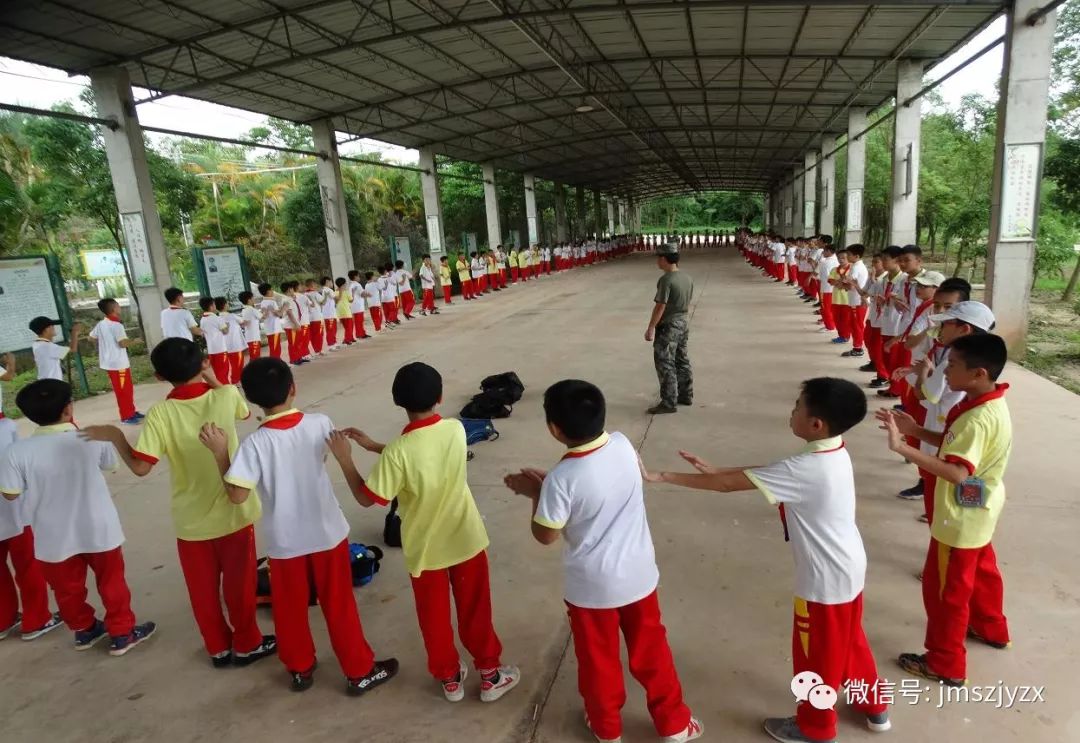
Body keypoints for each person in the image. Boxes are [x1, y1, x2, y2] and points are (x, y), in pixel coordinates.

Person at [640, 377, 890, 743]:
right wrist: (719, 469)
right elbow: (776, 470)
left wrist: (661, 476)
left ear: (815, 424)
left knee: (815, 657)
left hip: (823, 583)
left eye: (797, 407)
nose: (792, 412)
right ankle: (873, 704)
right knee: (850, 640)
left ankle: (815, 727)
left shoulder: (806, 469)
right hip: (849, 567)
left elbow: (735, 485)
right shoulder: (831, 450)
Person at [505, 380, 702, 743]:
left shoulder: (561, 479)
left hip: (592, 590)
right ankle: (674, 724)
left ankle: (607, 727)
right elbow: (601, 488)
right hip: (639, 578)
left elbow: (546, 534)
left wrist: (536, 494)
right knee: (653, 652)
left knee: (598, 662)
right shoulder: (623, 445)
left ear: (554, 429)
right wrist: (549, 490)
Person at [199, 358, 399, 695]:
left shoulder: (254, 445)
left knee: (289, 610)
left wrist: (221, 454)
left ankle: (300, 669)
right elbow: (317, 458)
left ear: (251, 399)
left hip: (285, 542)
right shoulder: (320, 423)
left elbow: (236, 495)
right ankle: (359, 671)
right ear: (293, 388)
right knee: (339, 605)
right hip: (326, 533)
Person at [330, 362, 520, 703]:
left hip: (426, 551)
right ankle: (490, 675)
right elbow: (424, 452)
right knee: (476, 610)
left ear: (397, 401)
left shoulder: (398, 453)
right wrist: (375, 446)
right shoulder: (455, 430)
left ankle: (450, 679)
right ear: (441, 396)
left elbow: (369, 497)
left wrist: (346, 459)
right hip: (466, 539)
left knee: (433, 618)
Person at [82, 339, 276, 669]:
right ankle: (247, 643)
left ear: (158, 376)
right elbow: (244, 412)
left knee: (203, 591)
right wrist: (211, 375)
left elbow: (142, 467)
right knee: (239, 586)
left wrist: (116, 436)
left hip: (191, 519)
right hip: (235, 511)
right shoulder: (225, 395)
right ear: (203, 363)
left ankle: (217, 647)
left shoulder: (161, 413)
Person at [879, 333, 1012, 687]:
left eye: (952, 365)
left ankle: (945, 662)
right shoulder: (988, 403)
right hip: (980, 507)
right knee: (982, 571)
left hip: (960, 517)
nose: (945, 370)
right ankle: (990, 627)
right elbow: (962, 448)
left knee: (945, 593)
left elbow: (956, 472)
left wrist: (902, 448)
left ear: (978, 373)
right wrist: (917, 430)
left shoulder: (976, 419)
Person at [1, 379, 155, 655]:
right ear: (69, 409)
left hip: (53, 536)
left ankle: (84, 630)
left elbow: (10, 494)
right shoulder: (93, 438)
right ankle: (122, 633)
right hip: (98, 527)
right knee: (112, 581)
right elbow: (110, 465)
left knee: (67, 589)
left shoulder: (17, 452)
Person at [0, 376, 63, 643]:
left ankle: (3, 618)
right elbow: (14, 470)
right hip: (11, 509)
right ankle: (36, 618)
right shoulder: (5, 428)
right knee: (27, 562)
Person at [645, 243, 694, 415]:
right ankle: (686, 394)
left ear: (664, 259)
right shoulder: (687, 278)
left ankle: (668, 402)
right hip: (683, 322)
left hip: (669, 326)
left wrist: (651, 327)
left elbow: (660, 306)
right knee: (682, 359)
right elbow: (687, 302)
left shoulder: (666, 280)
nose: (657, 261)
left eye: (658, 258)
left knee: (665, 362)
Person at [88, 300, 143, 424]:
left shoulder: (101, 324)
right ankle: (126, 416)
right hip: (119, 365)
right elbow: (122, 343)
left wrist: (105, 345)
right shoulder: (116, 325)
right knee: (124, 390)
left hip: (110, 363)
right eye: (118, 305)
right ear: (113, 309)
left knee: (125, 389)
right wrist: (136, 341)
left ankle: (131, 411)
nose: (120, 307)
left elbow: (90, 338)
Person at [30, 316, 81, 382]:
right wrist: (75, 333)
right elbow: (73, 349)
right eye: (52, 326)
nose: (54, 328)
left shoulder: (37, 344)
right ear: (46, 329)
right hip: (52, 384)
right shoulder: (47, 346)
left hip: (45, 382)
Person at [199, 297, 231, 383]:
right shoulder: (217, 318)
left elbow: (202, 333)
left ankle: (221, 388)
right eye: (214, 304)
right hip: (220, 349)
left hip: (211, 351)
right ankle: (225, 390)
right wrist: (227, 325)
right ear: (211, 306)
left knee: (217, 372)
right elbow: (225, 331)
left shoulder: (202, 320)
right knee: (224, 372)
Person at [218, 297, 246, 384]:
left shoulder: (218, 318)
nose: (228, 304)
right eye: (226, 303)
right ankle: (236, 380)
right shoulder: (232, 316)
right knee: (238, 363)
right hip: (235, 345)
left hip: (225, 346)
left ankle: (235, 380)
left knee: (232, 364)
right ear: (224, 305)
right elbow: (243, 322)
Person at [281, 283, 307, 367]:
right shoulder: (286, 300)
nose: (294, 291)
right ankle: (293, 359)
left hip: (295, 324)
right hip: (291, 325)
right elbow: (289, 313)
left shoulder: (290, 299)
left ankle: (298, 357)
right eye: (292, 289)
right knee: (293, 343)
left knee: (297, 342)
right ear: (289, 289)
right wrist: (296, 324)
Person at [257, 283, 284, 360]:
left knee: (273, 347)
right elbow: (279, 314)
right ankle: (276, 364)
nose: (273, 291)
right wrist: (284, 308)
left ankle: (275, 363)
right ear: (268, 291)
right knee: (276, 348)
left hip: (269, 329)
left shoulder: (262, 302)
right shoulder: (272, 302)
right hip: (274, 328)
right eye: (271, 289)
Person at [238, 291, 263, 361]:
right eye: (253, 298)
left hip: (249, 337)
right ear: (249, 300)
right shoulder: (252, 309)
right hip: (254, 337)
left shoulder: (244, 310)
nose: (254, 299)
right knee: (256, 358)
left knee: (253, 357)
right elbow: (263, 317)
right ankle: (254, 371)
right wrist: (266, 311)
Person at [303, 280, 325, 355]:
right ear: (312, 285)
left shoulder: (304, 294)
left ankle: (316, 350)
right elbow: (323, 302)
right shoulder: (315, 293)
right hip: (317, 317)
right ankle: (319, 350)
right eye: (315, 285)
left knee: (312, 335)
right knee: (319, 334)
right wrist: (326, 296)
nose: (316, 286)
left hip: (309, 318)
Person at [347, 270, 370, 341]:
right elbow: (362, 294)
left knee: (357, 321)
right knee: (359, 321)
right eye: (358, 276)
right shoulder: (357, 284)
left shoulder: (350, 285)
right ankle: (360, 334)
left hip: (353, 306)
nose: (359, 277)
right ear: (355, 276)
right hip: (358, 306)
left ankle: (360, 333)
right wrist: (368, 294)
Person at [335, 278, 356, 346]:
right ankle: (347, 340)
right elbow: (351, 300)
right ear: (343, 284)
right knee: (349, 327)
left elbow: (336, 301)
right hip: (346, 312)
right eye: (345, 283)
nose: (346, 285)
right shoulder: (346, 292)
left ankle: (351, 337)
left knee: (347, 326)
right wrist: (353, 293)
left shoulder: (335, 292)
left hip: (340, 313)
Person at [320, 277, 339, 350]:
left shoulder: (323, 290)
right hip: (329, 314)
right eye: (331, 282)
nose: (332, 283)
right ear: (327, 282)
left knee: (332, 328)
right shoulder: (328, 290)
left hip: (329, 313)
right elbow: (336, 299)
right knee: (331, 329)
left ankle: (333, 342)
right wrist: (339, 292)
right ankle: (331, 344)